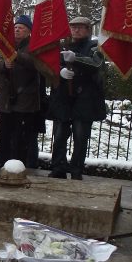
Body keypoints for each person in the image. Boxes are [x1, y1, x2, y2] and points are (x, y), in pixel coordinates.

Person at [47, 16, 106, 180]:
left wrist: (77, 59)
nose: (76, 30)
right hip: (64, 98)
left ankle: (76, 170)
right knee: (59, 137)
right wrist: (59, 71)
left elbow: (96, 64)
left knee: (80, 138)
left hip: (84, 99)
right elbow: (49, 64)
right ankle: (58, 167)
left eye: (80, 27)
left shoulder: (95, 46)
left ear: (88, 30)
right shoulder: (63, 45)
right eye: (73, 27)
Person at [0, 15, 42, 171]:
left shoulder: (34, 46)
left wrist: (15, 55)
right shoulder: (6, 44)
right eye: (16, 27)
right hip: (6, 96)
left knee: (20, 134)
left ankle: (19, 163)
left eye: (22, 28)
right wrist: (4, 64)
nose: (17, 30)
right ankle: (2, 161)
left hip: (25, 97)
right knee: (4, 133)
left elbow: (35, 63)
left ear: (29, 32)